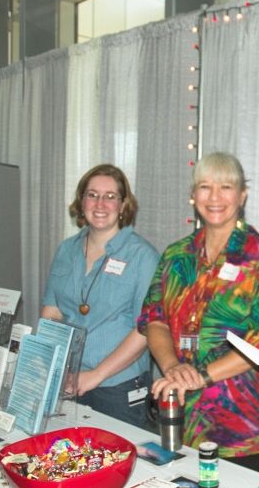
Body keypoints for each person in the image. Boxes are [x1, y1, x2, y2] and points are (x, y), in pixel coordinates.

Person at [138, 152, 259, 475]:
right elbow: (155, 319)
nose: (215, 197)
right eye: (205, 187)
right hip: (182, 420)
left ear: (242, 195)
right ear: (193, 196)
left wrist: (201, 377)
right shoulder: (175, 255)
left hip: (245, 429)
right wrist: (172, 367)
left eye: (226, 187)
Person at [40, 164, 159, 429]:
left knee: (122, 463)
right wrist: (53, 367)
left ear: (123, 204)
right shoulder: (66, 250)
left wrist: (95, 375)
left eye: (110, 196)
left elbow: (146, 330)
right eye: (92, 195)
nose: (100, 204)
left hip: (119, 386)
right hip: (69, 380)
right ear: (81, 201)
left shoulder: (142, 256)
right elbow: (52, 313)